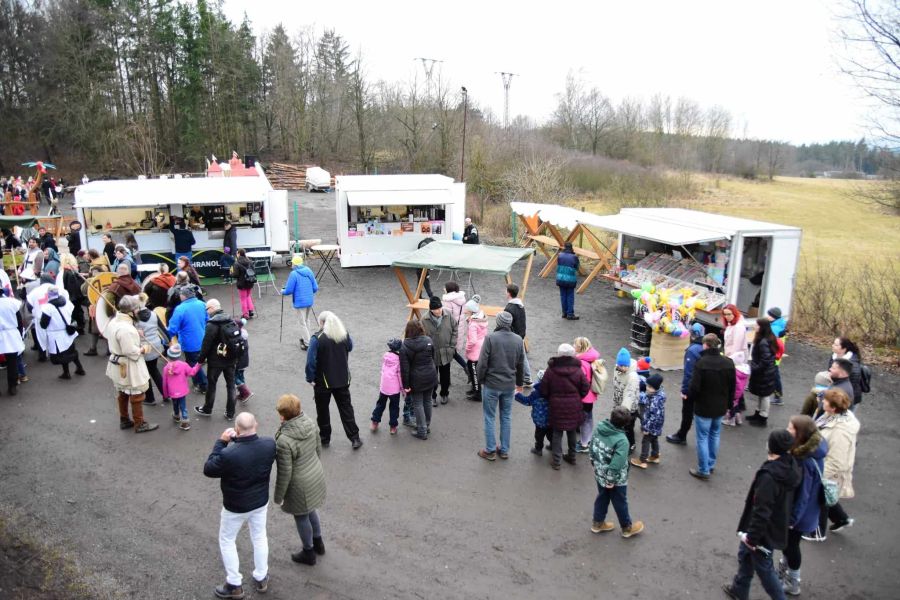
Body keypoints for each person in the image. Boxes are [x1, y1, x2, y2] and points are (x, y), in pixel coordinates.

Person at [203, 412, 276, 599]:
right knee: (259, 537)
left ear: (236, 429)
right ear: (256, 425)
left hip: (235, 506)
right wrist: (238, 441)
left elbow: (209, 469)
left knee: (227, 540)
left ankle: (234, 584)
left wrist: (222, 442)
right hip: (260, 502)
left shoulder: (228, 454)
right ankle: (261, 577)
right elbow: (251, 451)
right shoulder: (269, 445)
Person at [723, 430, 801, 600]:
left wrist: (752, 538)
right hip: (774, 525)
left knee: (765, 569)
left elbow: (761, 512)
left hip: (762, 533)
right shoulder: (790, 466)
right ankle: (739, 589)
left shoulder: (769, 477)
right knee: (745, 555)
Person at [274, 394, 327, 567]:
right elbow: (318, 449)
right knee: (311, 510)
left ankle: (308, 552)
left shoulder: (284, 440)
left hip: (299, 485)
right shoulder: (310, 422)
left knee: (301, 516)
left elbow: (285, 472)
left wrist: (279, 496)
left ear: (283, 416)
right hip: (315, 473)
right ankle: (319, 543)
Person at [779, 415, 827, 596]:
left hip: (800, 514)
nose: (787, 429)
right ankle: (785, 574)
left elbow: (803, 495)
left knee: (791, 545)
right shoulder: (813, 451)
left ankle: (793, 582)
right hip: (806, 511)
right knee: (789, 544)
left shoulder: (805, 461)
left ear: (800, 434)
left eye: (791, 427)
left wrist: (792, 519)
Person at [305, 311, 363, 449]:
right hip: (342, 379)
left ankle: (325, 438)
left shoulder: (317, 339)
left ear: (322, 323)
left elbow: (310, 362)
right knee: (346, 409)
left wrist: (310, 378)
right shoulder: (343, 335)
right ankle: (354, 438)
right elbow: (350, 347)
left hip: (323, 382)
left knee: (322, 411)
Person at [810, 389, 860, 541]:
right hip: (823, 464)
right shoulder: (833, 415)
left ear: (833, 407)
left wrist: (819, 476)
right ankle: (841, 519)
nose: (822, 401)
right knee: (828, 494)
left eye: (825, 400)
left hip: (827, 469)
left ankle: (817, 533)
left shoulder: (840, 431)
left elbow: (836, 460)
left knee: (820, 497)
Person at [105, 295, 158, 433]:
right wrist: (144, 348)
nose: (138, 311)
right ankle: (139, 424)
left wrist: (135, 332)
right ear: (131, 311)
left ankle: (124, 420)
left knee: (122, 392)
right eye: (136, 309)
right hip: (128, 364)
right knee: (136, 393)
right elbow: (130, 351)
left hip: (118, 361)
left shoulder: (114, 322)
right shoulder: (126, 329)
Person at [589, 406, 644, 538]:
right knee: (620, 501)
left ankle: (597, 523)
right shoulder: (622, 440)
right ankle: (627, 528)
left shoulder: (599, 428)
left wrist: (594, 464)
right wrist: (610, 480)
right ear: (626, 424)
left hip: (599, 472)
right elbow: (616, 464)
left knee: (602, 497)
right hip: (615, 479)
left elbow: (592, 447)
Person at [476, 311, 525, 461]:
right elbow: (521, 364)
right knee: (506, 416)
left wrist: (481, 379)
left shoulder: (491, 338)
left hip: (492, 384)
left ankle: (490, 450)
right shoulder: (518, 340)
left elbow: (482, 363)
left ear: (498, 323)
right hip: (509, 385)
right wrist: (519, 383)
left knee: (489, 417)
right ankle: (504, 450)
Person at [688, 333, 735, 481]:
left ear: (705, 345)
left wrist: (691, 400)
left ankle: (703, 469)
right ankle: (710, 464)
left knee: (702, 438)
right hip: (720, 407)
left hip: (703, 407)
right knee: (715, 435)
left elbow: (694, 387)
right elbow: (732, 387)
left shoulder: (701, 363)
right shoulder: (728, 363)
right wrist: (729, 405)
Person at [541, 343, 590, 469]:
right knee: (571, 431)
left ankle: (556, 460)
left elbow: (544, 389)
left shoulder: (551, 370)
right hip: (574, 405)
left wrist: (550, 398)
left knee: (557, 432)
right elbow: (585, 387)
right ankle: (572, 456)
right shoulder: (578, 370)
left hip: (556, 406)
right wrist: (578, 397)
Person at [194, 299, 239, 420]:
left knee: (212, 385)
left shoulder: (212, 325)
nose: (207, 312)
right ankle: (230, 413)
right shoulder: (230, 319)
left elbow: (206, 344)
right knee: (231, 385)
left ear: (213, 308)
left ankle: (207, 409)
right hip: (231, 359)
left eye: (207, 309)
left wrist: (200, 360)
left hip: (216, 361)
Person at [399, 320, 438, 440]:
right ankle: (426, 425)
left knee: (418, 403)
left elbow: (405, 369)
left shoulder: (404, 346)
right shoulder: (428, 340)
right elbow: (433, 357)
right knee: (427, 401)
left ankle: (422, 430)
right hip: (430, 375)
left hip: (416, 379)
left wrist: (406, 386)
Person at [667, 323, 705, 445]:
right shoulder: (706, 347)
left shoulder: (692, 350)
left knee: (687, 412)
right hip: (704, 387)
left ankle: (681, 435)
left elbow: (689, 373)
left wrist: (684, 390)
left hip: (692, 387)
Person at [36, 286, 85, 379]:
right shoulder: (66, 302)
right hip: (68, 331)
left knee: (62, 355)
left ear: (48, 295)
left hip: (56, 335)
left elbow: (43, 324)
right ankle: (79, 368)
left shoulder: (48, 308)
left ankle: (67, 373)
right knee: (71, 351)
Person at [167, 286, 209, 394]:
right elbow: (208, 320)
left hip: (189, 342)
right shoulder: (202, 304)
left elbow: (172, 328)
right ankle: (196, 382)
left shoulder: (180, 309)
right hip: (203, 339)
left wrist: (166, 338)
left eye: (180, 294)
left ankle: (204, 385)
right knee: (198, 361)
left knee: (193, 363)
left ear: (183, 296)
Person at [422, 295, 457, 406]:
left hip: (446, 352)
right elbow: (421, 336)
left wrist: (452, 346)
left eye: (439, 308)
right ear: (430, 310)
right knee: (431, 376)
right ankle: (432, 396)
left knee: (445, 376)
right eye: (435, 309)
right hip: (431, 353)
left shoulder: (448, 315)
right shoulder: (424, 319)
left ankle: (444, 393)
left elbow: (455, 329)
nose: (438, 311)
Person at [747, 318, 780, 427]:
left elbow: (766, 360)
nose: (755, 327)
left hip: (764, 373)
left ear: (762, 327)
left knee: (765, 395)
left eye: (757, 325)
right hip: (765, 372)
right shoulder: (767, 338)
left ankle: (763, 417)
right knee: (761, 393)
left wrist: (755, 367)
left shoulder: (763, 342)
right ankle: (758, 413)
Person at [282, 255, 318, 349]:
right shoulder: (308, 270)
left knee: (302, 323)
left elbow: (289, 290)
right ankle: (307, 338)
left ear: (295, 264)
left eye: (292, 263)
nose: (291, 265)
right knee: (306, 320)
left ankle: (307, 343)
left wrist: (283, 291)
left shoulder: (294, 274)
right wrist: (308, 293)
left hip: (300, 302)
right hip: (309, 300)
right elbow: (315, 287)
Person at [162, 343, 202, 430]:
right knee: (183, 406)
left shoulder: (166, 368)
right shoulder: (184, 365)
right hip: (182, 391)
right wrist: (198, 365)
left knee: (175, 404)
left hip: (172, 392)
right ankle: (185, 421)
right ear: (179, 355)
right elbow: (192, 372)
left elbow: (164, 383)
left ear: (168, 356)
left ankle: (176, 416)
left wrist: (165, 394)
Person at [631, 373, 666, 469]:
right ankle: (655, 456)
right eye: (647, 386)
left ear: (656, 388)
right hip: (657, 424)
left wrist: (646, 428)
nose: (647, 388)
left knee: (645, 441)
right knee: (654, 439)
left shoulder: (655, 399)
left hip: (651, 425)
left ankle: (642, 460)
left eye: (650, 387)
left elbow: (653, 416)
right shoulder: (658, 395)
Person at [134, 299, 166, 405]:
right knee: (154, 370)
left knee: (145, 373)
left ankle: (150, 398)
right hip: (155, 345)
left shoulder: (134, 318)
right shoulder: (153, 314)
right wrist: (169, 342)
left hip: (143, 348)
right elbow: (162, 329)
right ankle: (165, 393)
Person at [574, 337, 601, 453]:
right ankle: (588, 438)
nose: (573, 346)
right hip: (590, 395)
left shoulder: (581, 363)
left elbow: (580, 381)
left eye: (575, 345)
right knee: (589, 417)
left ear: (580, 347)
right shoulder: (591, 358)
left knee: (584, 419)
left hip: (584, 397)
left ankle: (584, 444)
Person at [371, 338, 403, 434]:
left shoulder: (385, 356)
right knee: (394, 407)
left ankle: (375, 422)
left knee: (380, 404)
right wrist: (403, 389)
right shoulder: (399, 359)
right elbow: (399, 375)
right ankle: (393, 427)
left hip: (384, 387)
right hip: (394, 389)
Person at [515, 369, 550, 455]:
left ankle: (538, 449)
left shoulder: (536, 393)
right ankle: (553, 446)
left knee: (539, 436)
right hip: (551, 419)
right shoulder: (553, 392)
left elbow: (527, 401)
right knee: (551, 434)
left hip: (539, 421)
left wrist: (517, 394)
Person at [612, 348, 640, 452]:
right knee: (623, 427)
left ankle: (631, 444)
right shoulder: (616, 369)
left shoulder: (632, 376)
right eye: (621, 365)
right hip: (619, 404)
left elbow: (629, 395)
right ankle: (622, 442)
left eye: (626, 366)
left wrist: (622, 412)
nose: (624, 368)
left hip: (629, 409)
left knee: (628, 427)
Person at [503, 283, 531, 384]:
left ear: (509, 293)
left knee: (513, 357)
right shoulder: (520, 305)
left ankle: (520, 378)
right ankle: (527, 378)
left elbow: (507, 324)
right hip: (520, 334)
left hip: (513, 336)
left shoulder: (509, 308)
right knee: (522, 356)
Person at [0, 288, 24, 396]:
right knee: (12, 362)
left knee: (11, 362)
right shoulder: (12, 303)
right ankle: (12, 386)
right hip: (11, 335)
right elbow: (19, 321)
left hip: (7, 333)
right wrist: (20, 335)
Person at [463, 296, 488, 402]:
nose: (465, 311)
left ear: (471, 311)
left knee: (474, 373)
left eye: (467, 309)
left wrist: (467, 349)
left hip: (474, 351)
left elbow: (472, 341)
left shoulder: (473, 324)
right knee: (473, 371)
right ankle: (474, 389)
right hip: (480, 348)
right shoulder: (481, 319)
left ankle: (477, 394)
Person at [441, 281, 468, 374]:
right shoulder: (461, 299)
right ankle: (467, 368)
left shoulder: (447, 301)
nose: (443, 289)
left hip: (450, 329)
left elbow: (445, 317)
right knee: (453, 350)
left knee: (450, 351)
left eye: (445, 287)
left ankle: (467, 368)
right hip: (459, 327)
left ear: (448, 289)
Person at [829, 337, 863, 407]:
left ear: (844, 348)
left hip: (848, 398)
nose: (832, 345)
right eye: (833, 343)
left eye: (836, 345)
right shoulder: (834, 355)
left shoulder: (853, 365)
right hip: (837, 391)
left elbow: (852, 385)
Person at [766, 307, 787, 401]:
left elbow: (768, 341)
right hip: (774, 355)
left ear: (774, 317)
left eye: (769, 315)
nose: (767, 316)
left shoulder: (775, 328)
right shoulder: (777, 324)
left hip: (773, 356)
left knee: (774, 376)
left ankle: (778, 396)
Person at [556, 241, 580, 320]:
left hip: (560, 279)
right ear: (571, 248)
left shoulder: (560, 255)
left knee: (563, 296)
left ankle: (564, 313)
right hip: (570, 280)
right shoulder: (574, 257)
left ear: (564, 247)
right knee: (570, 296)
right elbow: (577, 267)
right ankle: (570, 314)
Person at [232, 249, 257, 319]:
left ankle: (245, 314)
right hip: (250, 282)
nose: (237, 254)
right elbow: (254, 271)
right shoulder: (250, 261)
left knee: (243, 299)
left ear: (239, 254)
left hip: (242, 283)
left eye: (237, 253)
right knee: (248, 296)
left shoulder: (237, 263)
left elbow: (235, 275)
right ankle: (250, 311)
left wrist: (231, 274)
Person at [234, 319, 253, 403]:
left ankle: (246, 392)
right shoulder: (244, 335)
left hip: (239, 362)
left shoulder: (238, 338)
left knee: (234, 377)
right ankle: (242, 394)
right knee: (241, 377)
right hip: (244, 362)